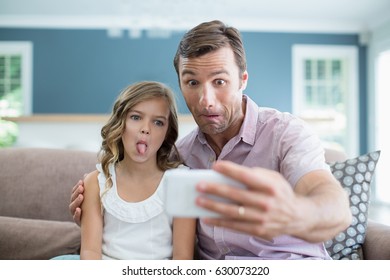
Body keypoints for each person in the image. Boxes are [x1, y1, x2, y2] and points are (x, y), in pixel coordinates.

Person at [70, 20, 351, 260]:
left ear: (242, 80)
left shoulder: (285, 133)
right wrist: (95, 209)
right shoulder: (178, 157)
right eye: (192, 82)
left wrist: (295, 213)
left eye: (219, 81)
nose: (206, 101)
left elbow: (335, 208)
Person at [80, 81, 196, 260]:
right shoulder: (96, 182)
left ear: (167, 132)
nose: (145, 129)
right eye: (136, 117)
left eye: (158, 122)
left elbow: (183, 258)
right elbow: (90, 252)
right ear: (121, 122)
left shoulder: (180, 183)